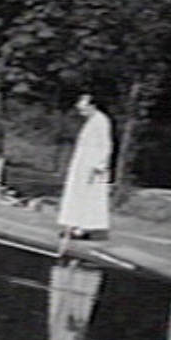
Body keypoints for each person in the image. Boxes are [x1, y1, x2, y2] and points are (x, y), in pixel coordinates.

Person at [58, 94, 112, 240]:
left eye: (84, 108)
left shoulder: (101, 121)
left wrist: (100, 164)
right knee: (77, 194)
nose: (82, 111)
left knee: (89, 196)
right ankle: (74, 225)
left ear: (92, 106)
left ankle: (83, 228)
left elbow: (106, 144)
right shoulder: (92, 121)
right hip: (83, 163)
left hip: (92, 166)